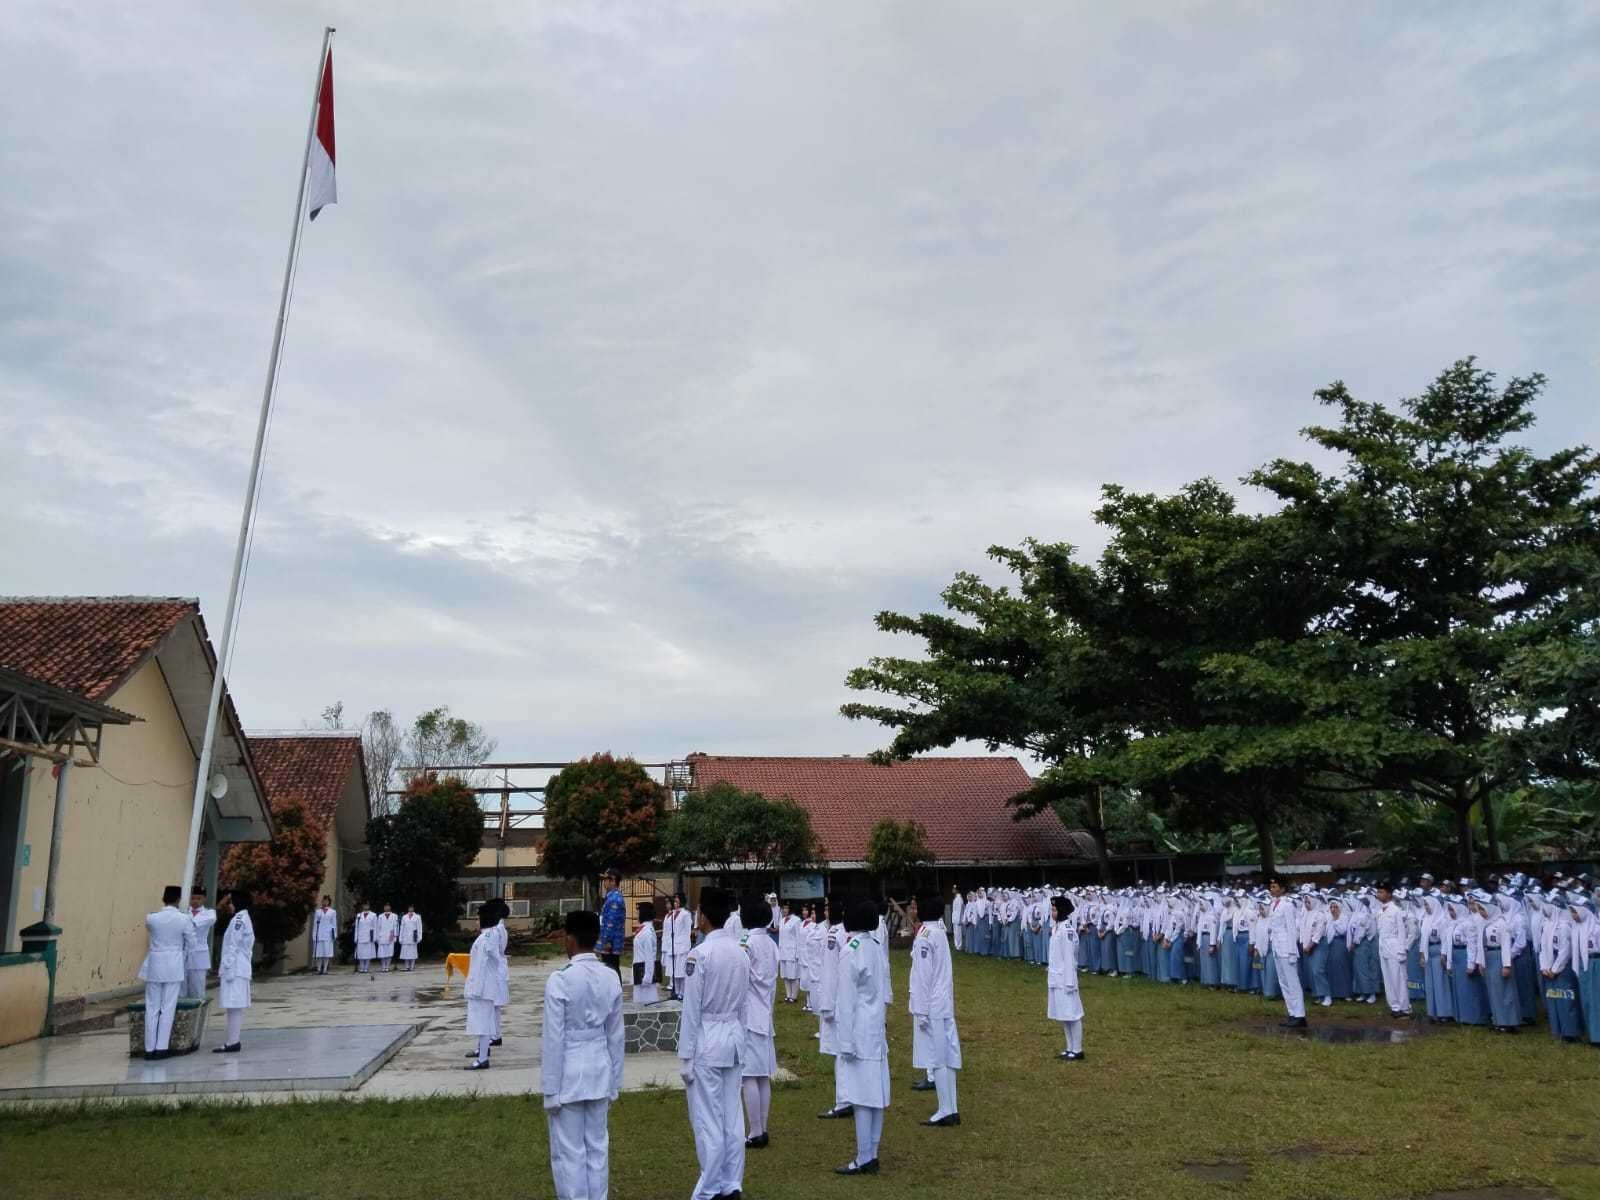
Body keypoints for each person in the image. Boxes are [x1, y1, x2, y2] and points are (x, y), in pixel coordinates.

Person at [541, 909, 625, 1200]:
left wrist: (550, 1089)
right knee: (597, 1147)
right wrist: (615, 1081)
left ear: (570, 939)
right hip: (600, 1067)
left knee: (569, 1151)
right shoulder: (610, 976)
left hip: (569, 1071)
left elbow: (553, 1039)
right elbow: (616, 1035)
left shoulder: (560, 979)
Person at [679, 886, 746, 1200]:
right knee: (732, 1118)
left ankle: (708, 1189)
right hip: (733, 1038)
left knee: (707, 1119)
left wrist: (685, 1056)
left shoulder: (700, 954)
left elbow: (691, 1010)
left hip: (708, 1039)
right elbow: (744, 1005)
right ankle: (731, 1183)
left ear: (703, 916)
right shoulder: (740, 952)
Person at [832, 899, 890, 1176]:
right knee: (875, 1093)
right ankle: (872, 1152)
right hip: (876, 1028)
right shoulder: (875, 946)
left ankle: (865, 1156)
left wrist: (844, 1041)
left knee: (861, 1096)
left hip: (858, 1031)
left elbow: (846, 1000)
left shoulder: (851, 950)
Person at [908, 893, 961, 1125]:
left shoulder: (925, 936)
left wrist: (920, 1011)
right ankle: (951, 1107)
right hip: (943, 1001)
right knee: (948, 1056)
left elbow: (923, 977)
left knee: (937, 1057)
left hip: (931, 1005)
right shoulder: (939, 932)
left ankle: (945, 1110)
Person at [138, 885, 195, 1060]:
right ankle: (161, 1048)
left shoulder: (152, 918)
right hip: (173, 965)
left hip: (155, 964)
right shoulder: (184, 919)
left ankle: (149, 1049)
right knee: (168, 1007)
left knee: (152, 1007)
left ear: (163, 898)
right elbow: (192, 943)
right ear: (178, 899)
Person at [740, 894, 778, 1151]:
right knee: (763, 1075)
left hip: (749, 1013)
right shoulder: (772, 944)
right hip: (765, 1012)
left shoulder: (746, 942)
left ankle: (755, 1131)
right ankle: (762, 1128)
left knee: (748, 1076)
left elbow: (740, 977)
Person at [463, 908, 508, 1069]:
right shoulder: (486, 936)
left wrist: (475, 988)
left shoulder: (487, 938)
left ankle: (482, 1058)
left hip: (482, 988)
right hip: (483, 986)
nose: (476, 922)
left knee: (483, 1024)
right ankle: (482, 1054)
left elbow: (483, 964)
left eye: (478, 919)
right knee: (483, 1023)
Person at [214, 889, 254, 1053]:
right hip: (239, 967)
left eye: (230, 902)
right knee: (234, 1006)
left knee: (234, 1006)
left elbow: (233, 945)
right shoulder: (243, 917)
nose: (229, 905)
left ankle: (233, 1042)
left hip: (235, 968)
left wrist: (227, 966)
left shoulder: (239, 919)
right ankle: (232, 1040)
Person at [1047, 894, 1085, 1060]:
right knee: (1063, 1014)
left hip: (1066, 979)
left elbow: (1069, 958)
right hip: (1056, 978)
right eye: (1052, 909)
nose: (1052, 913)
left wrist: (1070, 982)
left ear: (1062, 911)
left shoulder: (1067, 930)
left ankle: (1077, 1049)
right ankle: (1069, 1047)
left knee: (1072, 1014)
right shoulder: (1057, 928)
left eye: (1055, 910)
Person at [1266, 877, 1307, 1028]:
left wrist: (1292, 952)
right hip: (1277, 947)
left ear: (1282, 889)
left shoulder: (1288, 905)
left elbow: (1291, 929)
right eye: (1271, 886)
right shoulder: (1273, 904)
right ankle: (1292, 1013)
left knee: (1292, 982)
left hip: (1286, 948)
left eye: (1275, 886)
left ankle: (1300, 1015)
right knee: (1284, 983)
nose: (1272, 889)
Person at [1375, 884, 1413, 1017]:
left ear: (1389, 894)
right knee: (1388, 979)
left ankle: (1405, 1008)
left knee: (1399, 978)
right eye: (1378, 892)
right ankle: (1395, 1006)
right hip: (1383, 946)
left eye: (1381, 892)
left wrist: (1402, 950)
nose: (1379, 894)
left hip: (1395, 946)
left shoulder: (1396, 910)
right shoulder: (1380, 911)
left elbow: (1402, 931)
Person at [184, 889, 216, 1000]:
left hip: (199, 955)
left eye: (199, 898)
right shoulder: (184, 912)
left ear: (204, 899)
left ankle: (197, 1009)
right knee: (181, 988)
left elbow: (192, 924)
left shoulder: (209, 913)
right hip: (183, 953)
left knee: (197, 988)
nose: (195, 901)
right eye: (193, 898)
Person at [664, 893, 693, 1000]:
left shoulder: (686, 914)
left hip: (682, 946)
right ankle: (676, 992)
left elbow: (687, 931)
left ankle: (682, 992)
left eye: (677, 901)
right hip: (673, 945)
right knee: (674, 971)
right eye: (674, 901)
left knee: (681, 971)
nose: (675, 903)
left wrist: (685, 946)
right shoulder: (672, 914)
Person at [598, 869, 626, 976]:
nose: (604, 882)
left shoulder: (614, 899)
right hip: (609, 941)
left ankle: (616, 987)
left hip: (611, 943)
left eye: (606, 879)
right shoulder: (611, 897)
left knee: (612, 970)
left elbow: (611, 922)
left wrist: (608, 941)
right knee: (609, 970)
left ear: (613, 881)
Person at [632, 901, 660, 1004]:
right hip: (639, 971)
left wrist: (647, 977)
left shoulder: (647, 932)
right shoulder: (644, 929)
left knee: (646, 1003)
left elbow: (649, 956)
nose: (636, 915)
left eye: (638, 912)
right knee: (639, 1002)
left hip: (644, 974)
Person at [777, 901, 803, 1004]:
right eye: (783, 908)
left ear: (790, 909)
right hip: (783, 951)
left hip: (792, 952)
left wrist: (798, 953)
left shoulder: (796, 920)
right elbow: (780, 938)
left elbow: (799, 938)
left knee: (793, 975)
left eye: (786, 908)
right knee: (785, 975)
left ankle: (794, 996)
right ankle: (788, 995)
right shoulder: (782, 920)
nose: (784, 910)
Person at [311, 895, 338, 974]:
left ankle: (325, 969)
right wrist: (314, 934)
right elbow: (315, 924)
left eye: (326, 901)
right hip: (319, 934)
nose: (325, 902)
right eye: (323, 901)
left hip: (328, 934)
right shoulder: (318, 911)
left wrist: (334, 935)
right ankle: (319, 969)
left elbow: (334, 924)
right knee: (319, 953)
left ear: (329, 902)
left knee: (326, 953)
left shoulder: (332, 912)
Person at [353, 901, 376, 974]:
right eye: (364, 905)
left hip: (369, 936)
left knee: (368, 953)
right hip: (360, 936)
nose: (366, 907)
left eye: (367, 905)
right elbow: (357, 927)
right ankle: (361, 967)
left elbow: (375, 927)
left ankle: (366, 967)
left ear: (369, 906)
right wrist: (356, 937)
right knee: (361, 953)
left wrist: (374, 937)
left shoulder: (373, 915)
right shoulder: (359, 915)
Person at [375, 902, 399, 973]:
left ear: (390, 907)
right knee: (382, 953)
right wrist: (377, 937)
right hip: (382, 936)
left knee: (389, 952)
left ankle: (387, 966)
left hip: (391, 935)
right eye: (385, 907)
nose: (386, 908)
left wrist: (395, 936)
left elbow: (396, 926)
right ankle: (383, 966)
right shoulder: (380, 916)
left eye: (388, 906)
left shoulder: (394, 916)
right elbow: (378, 927)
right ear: (383, 908)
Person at [399, 905, 422, 971]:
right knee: (405, 952)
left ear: (413, 908)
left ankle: (412, 966)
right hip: (405, 937)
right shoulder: (404, 917)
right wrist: (400, 937)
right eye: (409, 908)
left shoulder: (417, 916)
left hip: (413, 936)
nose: (410, 909)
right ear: (408, 909)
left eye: (411, 908)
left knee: (413, 952)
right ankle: (407, 966)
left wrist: (419, 937)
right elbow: (402, 928)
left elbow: (419, 927)